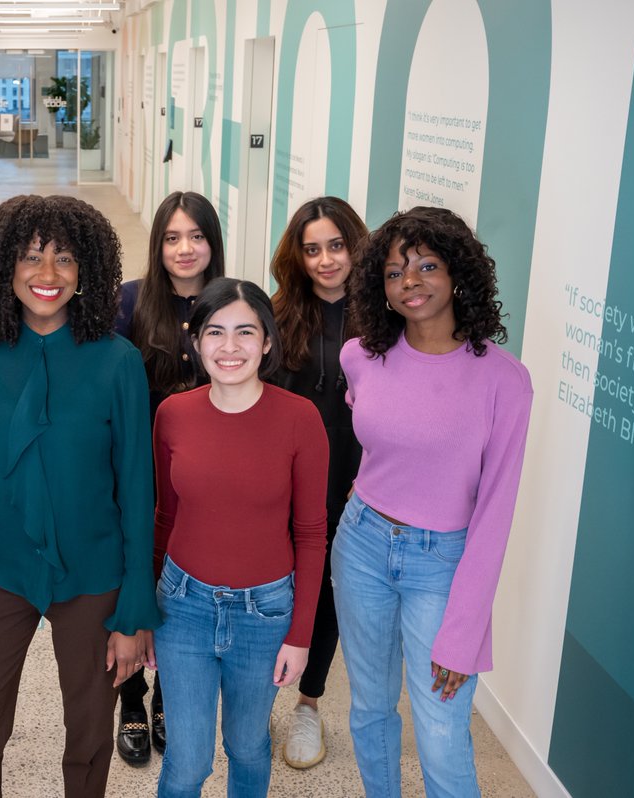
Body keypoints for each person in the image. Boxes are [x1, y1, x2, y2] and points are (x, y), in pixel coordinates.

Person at [0, 194, 160, 798]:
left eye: (65, 258)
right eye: (31, 256)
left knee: (89, 735)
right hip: (1, 565)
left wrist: (134, 611)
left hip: (94, 574)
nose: (48, 274)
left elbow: (137, 487)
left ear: (86, 269)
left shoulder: (117, 361)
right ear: (3, 266)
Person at [336, 206, 533, 797]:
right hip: (361, 544)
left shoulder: (504, 380)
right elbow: (386, 447)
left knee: (442, 730)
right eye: (395, 272)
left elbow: (495, 513)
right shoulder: (360, 357)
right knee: (370, 709)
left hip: (441, 562)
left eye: (426, 266)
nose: (410, 282)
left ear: (458, 273)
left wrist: (465, 632)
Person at [152, 277, 329, 798]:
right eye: (215, 332)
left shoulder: (300, 419)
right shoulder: (172, 415)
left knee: (248, 746)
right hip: (182, 605)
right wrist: (146, 613)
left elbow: (312, 535)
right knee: (186, 763)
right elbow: (164, 516)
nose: (229, 347)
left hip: (265, 613)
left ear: (267, 341)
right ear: (195, 341)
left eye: (245, 332)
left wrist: (300, 636)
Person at [113, 190, 224, 766]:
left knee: (184, 588)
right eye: (173, 237)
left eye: (196, 236)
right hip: (140, 469)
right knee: (136, 579)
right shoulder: (129, 302)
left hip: (207, 475)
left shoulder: (230, 303)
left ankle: (166, 698)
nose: (185, 249)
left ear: (213, 243)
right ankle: (131, 698)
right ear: (157, 244)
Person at [268, 196, 367, 769]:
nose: (326, 260)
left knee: (326, 592)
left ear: (356, 247)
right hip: (284, 478)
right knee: (272, 584)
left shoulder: (386, 319)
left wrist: (372, 475)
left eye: (336, 246)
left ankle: (308, 704)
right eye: (312, 250)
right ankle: (258, 692)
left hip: (354, 483)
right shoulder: (276, 315)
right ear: (297, 257)